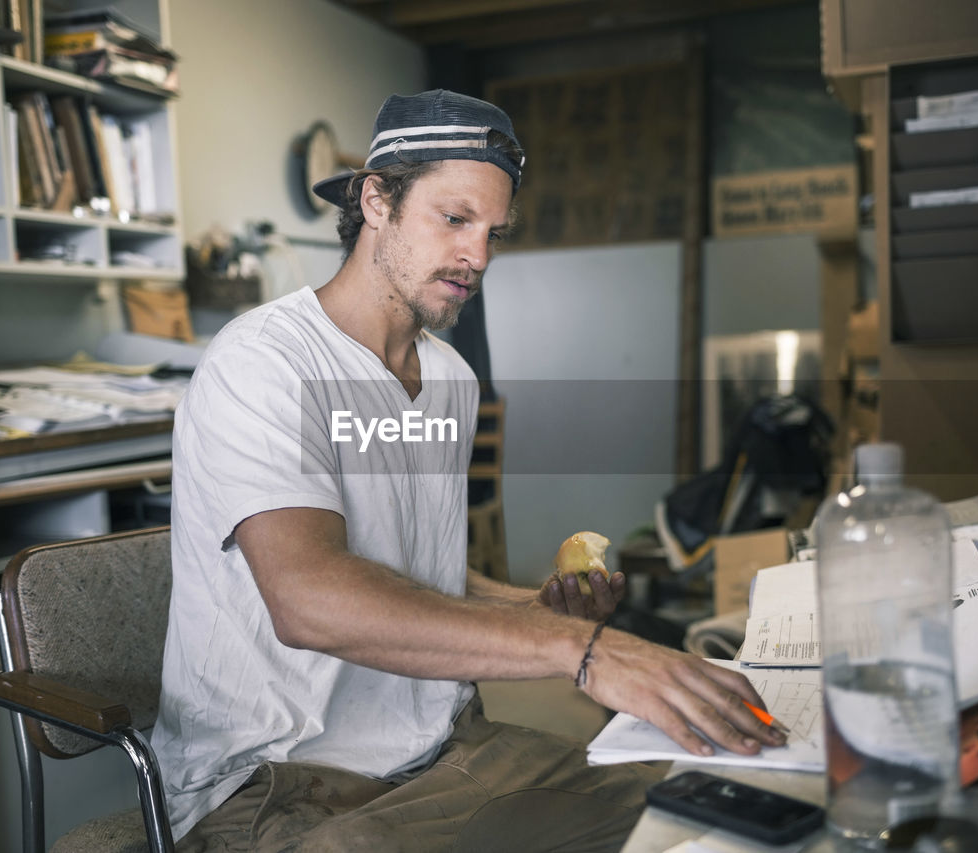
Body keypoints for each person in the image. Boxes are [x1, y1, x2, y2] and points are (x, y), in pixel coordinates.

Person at [152, 89, 787, 853]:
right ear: (377, 199)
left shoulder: (449, 377)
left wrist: (536, 608)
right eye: (454, 220)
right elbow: (309, 598)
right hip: (281, 785)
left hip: (447, 750)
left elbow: (415, 567)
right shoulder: (263, 363)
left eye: (493, 233)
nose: (477, 257)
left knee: (692, 821)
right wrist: (578, 651)